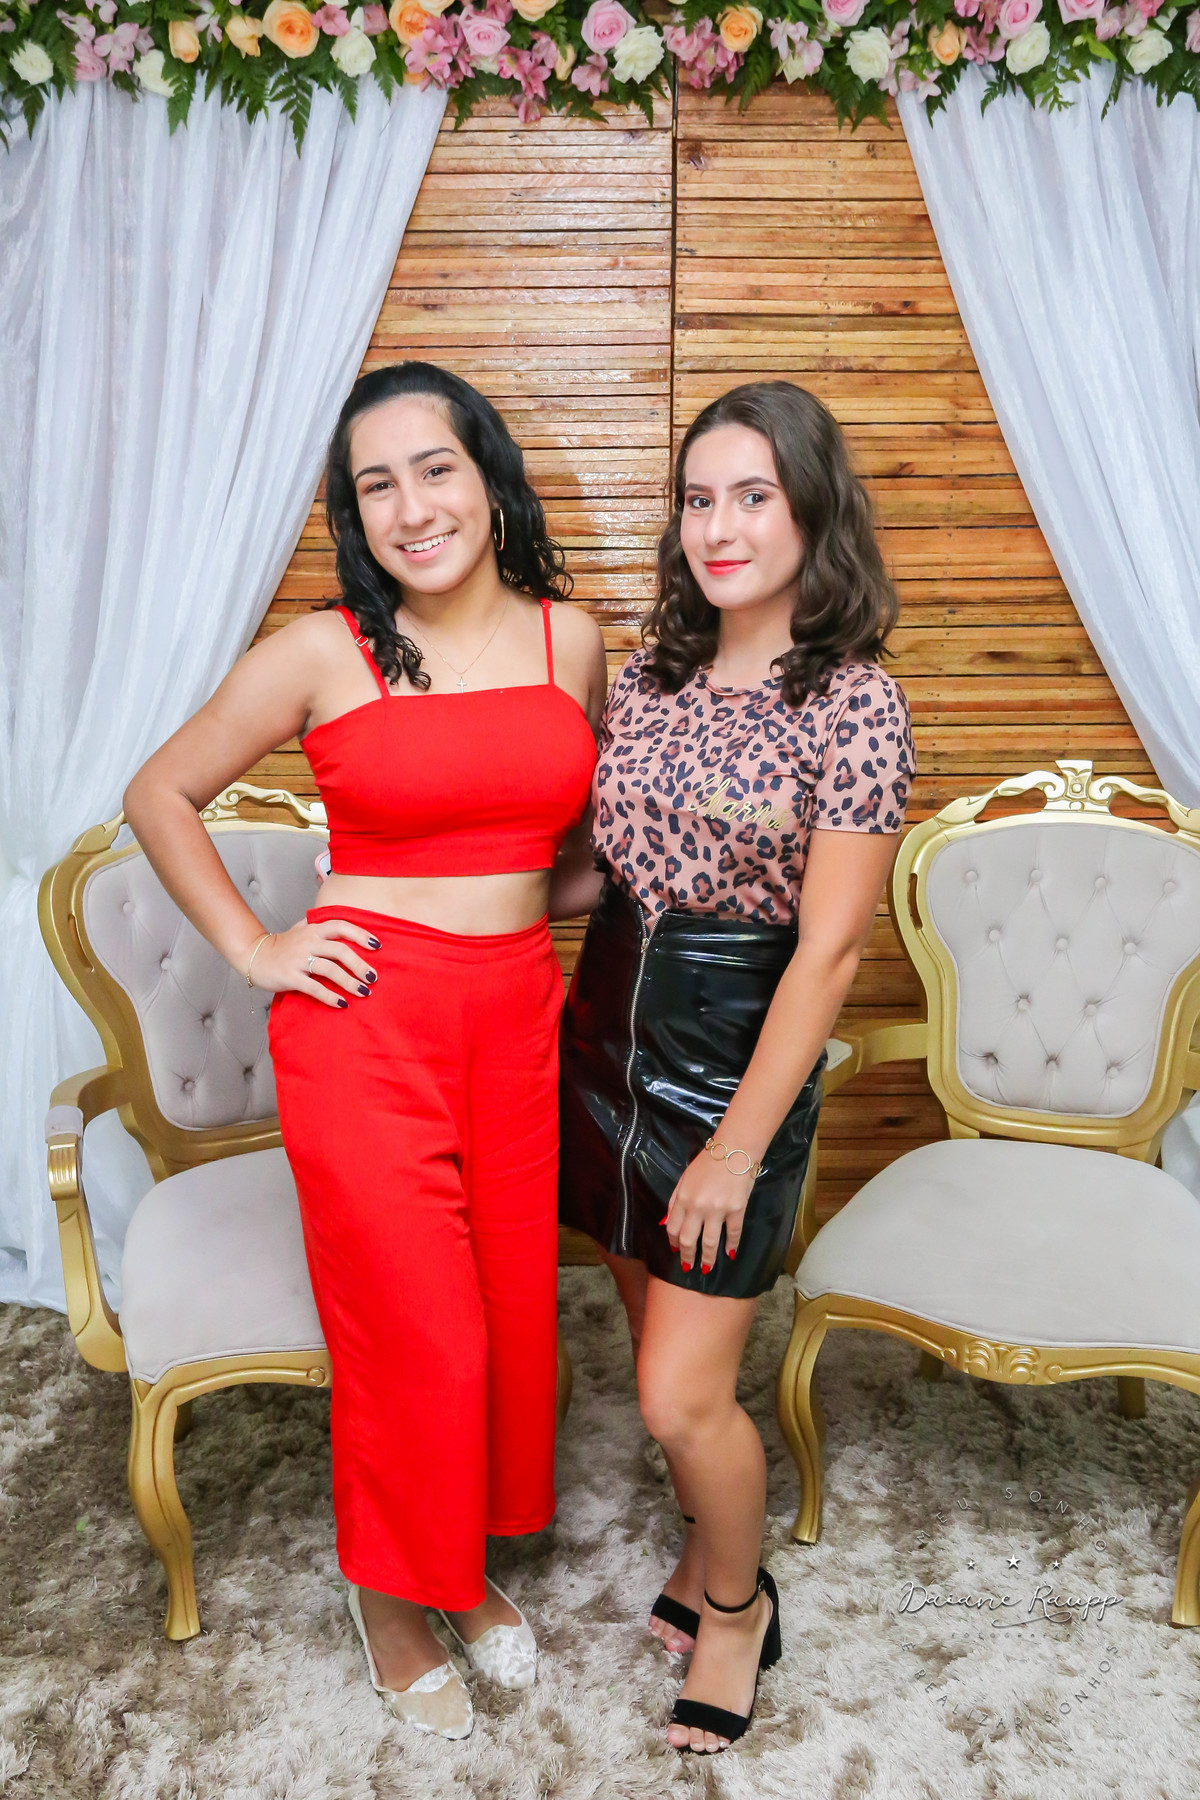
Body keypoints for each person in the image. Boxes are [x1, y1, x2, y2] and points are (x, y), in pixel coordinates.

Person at [123, 362, 607, 1740]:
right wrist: (258, 950)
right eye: (375, 485)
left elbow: (562, 862)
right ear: (355, 513)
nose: (411, 507)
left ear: (489, 478)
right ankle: (390, 1602)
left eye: (434, 468)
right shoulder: (324, 650)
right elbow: (158, 791)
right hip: (367, 1025)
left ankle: (458, 1572)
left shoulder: (571, 641)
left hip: (515, 1016)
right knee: (419, 1335)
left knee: (505, 1322)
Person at [557, 381, 915, 1754]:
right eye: (699, 499)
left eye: (753, 496)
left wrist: (733, 1146)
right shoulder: (648, 679)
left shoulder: (857, 702)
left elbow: (828, 955)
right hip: (603, 1042)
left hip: (731, 1073)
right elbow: (601, 873)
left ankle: (735, 1602)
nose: (719, 527)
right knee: (653, 1346)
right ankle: (711, 1538)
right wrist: (432, 893)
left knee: (679, 1392)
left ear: (812, 510)